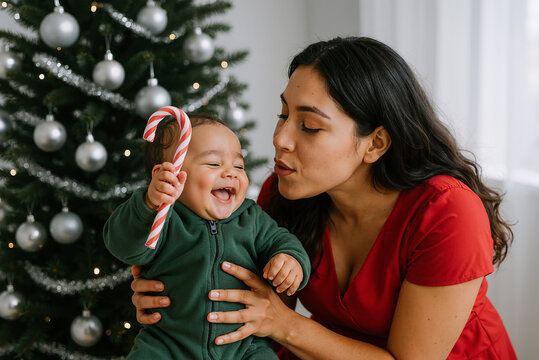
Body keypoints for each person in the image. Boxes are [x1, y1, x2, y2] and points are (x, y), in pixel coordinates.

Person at [129, 37, 517, 359]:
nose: (280, 139)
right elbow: (241, 294)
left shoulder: (448, 213)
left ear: (375, 143)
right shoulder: (282, 194)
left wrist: (282, 323)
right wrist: (175, 294)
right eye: (283, 115)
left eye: (310, 126)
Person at [103, 115, 311, 359]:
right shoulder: (162, 218)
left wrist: (289, 258)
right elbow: (122, 244)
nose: (231, 173)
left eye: (239, 166)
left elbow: (281, 240)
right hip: (168, 344)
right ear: (169, 175)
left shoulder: (251, 218)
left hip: (243, 347)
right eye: (214, 164)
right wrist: (148, 204)